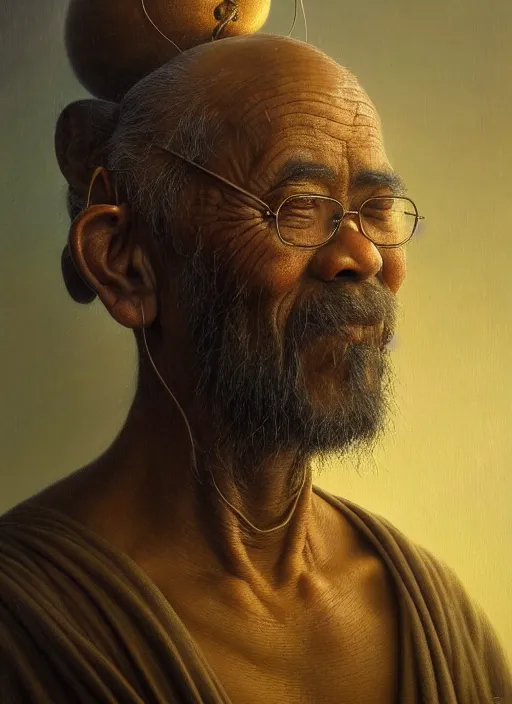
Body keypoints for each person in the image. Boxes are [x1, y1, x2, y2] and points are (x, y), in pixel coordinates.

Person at [0, 34, 510, 704]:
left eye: (377, 209)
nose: (362, 255)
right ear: (125, 263)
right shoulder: (26, 629)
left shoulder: (436, 617)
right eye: (298, 206)